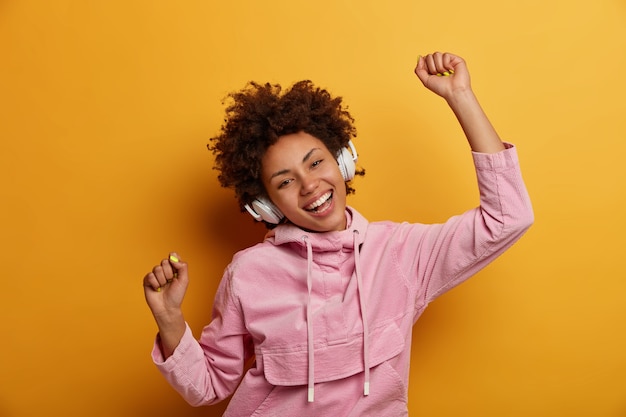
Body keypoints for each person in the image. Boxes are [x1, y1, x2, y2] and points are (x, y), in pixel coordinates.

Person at [142, 52, 534, 416]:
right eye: (285, 182)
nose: (309, 185)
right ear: (266, 204)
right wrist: (170, 319)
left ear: (344, 160)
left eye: (316, 163)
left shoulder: (400, 252)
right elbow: (206, 387)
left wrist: (460, 95)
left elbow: (507, 217)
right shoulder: (248, 274)